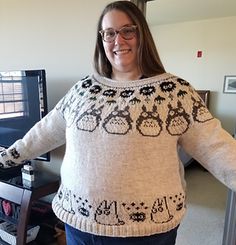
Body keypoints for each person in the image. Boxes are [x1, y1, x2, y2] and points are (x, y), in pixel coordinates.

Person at [1, 1, 236, 244]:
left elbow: (217, 147)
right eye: (109, 33)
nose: (118, 40)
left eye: (128, 31)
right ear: (101, 41)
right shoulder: (83, 89)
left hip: (147, 233)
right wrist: (7, 158)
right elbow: (44, 133)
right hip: (79, 226)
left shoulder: (175, 93)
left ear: (141, 34)